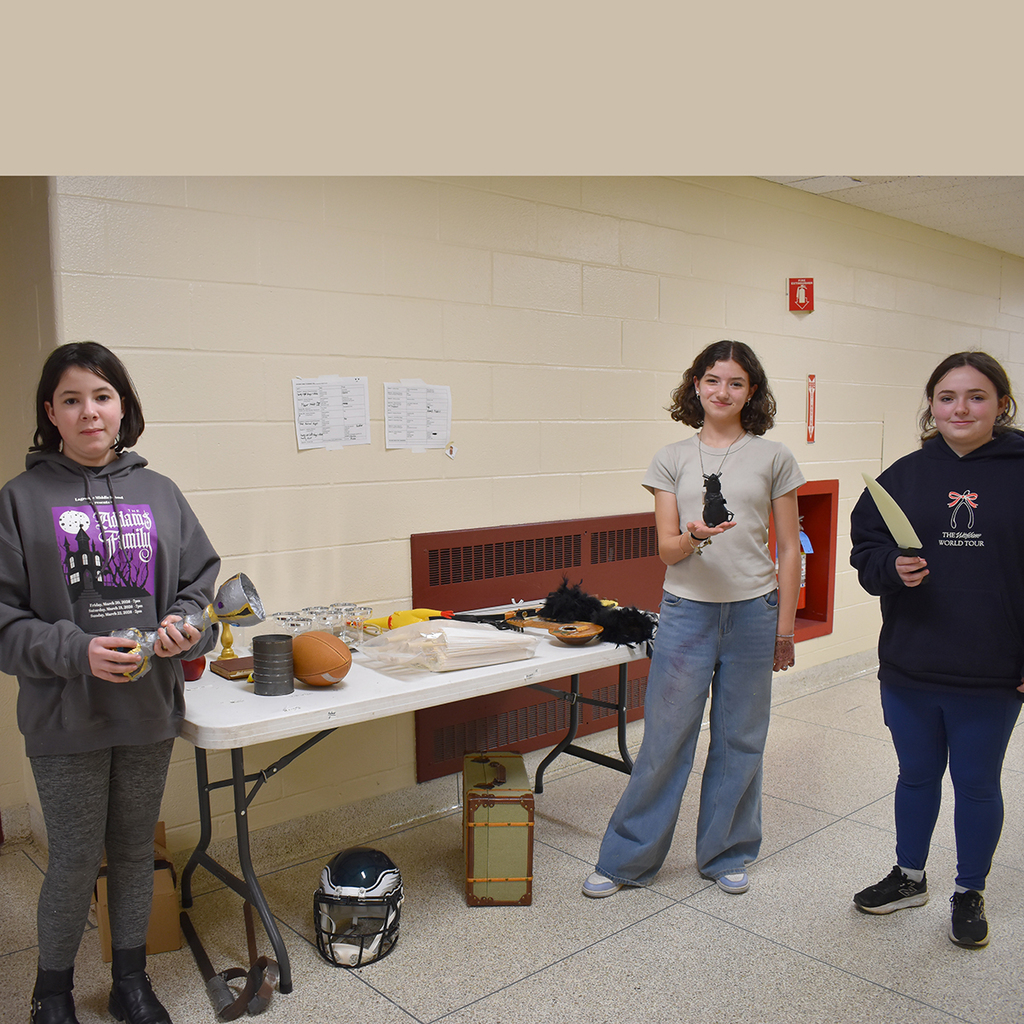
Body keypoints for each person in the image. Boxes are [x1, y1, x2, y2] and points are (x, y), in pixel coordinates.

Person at [0, 343, 221, 1024]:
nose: (89, 411)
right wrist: (76, 651)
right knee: (71, 859)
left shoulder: (162, 494)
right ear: (51, 414)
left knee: (131, 852)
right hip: (66, 716)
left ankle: (130, 981)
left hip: (147, 711)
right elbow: (4, 622)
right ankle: (52, 992)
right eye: (71, 399)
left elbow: (200, 591)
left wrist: (189, 626)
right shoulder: (20, 500)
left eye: (101, 396)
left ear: (123, 407)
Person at [582, 340, 804, 899]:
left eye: (734, 383)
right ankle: (627, 859)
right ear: (695, 387)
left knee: (740, 738)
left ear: (751, 391)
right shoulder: (671, 458)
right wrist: (692, 538)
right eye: (711, 380)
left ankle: (726, 852)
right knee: (665, 738)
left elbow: (790, 550)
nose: (721, 391)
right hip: (686, 614)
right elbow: (666, 552)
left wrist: (785, 629)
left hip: (755, 613)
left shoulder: (774, 457)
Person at [850, 350, 1024, 949]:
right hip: (911, 662)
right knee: (916, 775)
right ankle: (909, 876)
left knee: (978, 783)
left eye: (977, 396)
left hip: (993, 669)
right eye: (947, 397)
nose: (960, 408)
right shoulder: (903, 476)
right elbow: (865, 552)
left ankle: (969, 890)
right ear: (931, 405)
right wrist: (890, 567)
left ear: (1002, 404)